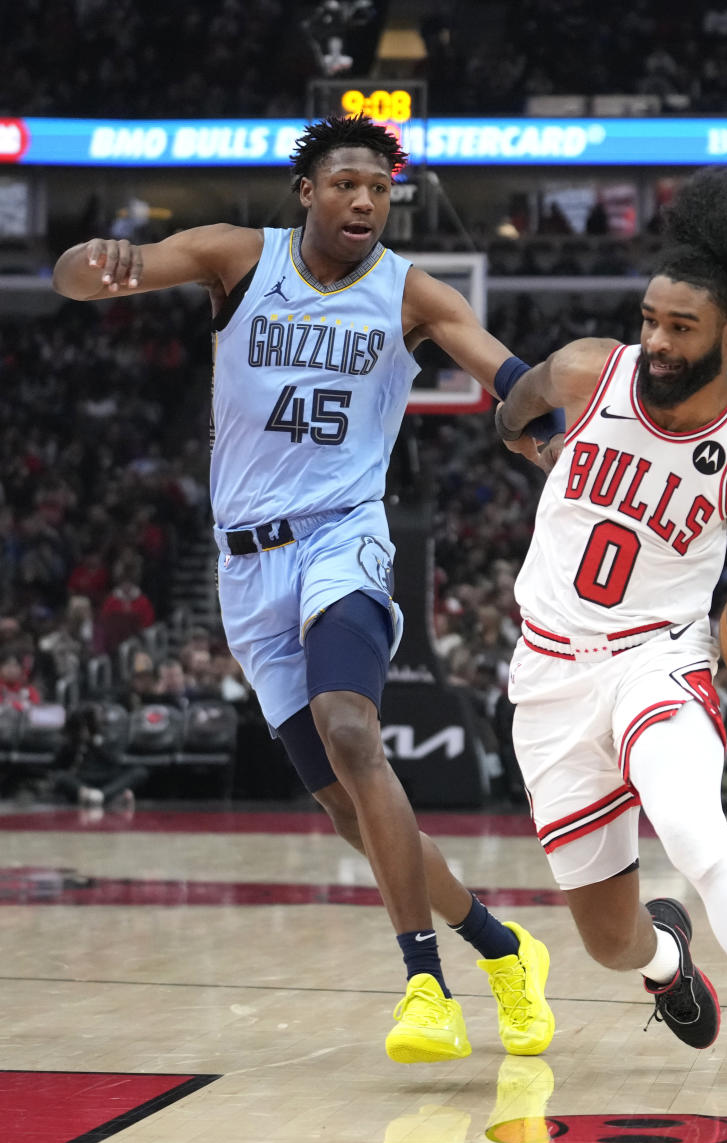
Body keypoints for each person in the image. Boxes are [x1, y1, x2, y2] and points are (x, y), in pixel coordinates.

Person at [52, 114, 554, 1065]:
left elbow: (501, 369)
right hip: (246, 568)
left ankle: (424, 985)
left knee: (353, 727)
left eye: (379, 187)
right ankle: (502, 947)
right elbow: (88, 278)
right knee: (345, 807)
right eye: (348, 183)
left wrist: (545, 416)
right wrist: (94, 262)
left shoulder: (413, 292)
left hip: (344, 536)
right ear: (309, 194)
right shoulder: (238, 258)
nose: (365, 199)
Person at [495, 166, 727, 1128]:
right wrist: (543, 450)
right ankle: (666, 959)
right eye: (650, 319)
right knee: (608, 942)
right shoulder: (586, 369)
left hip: (660, 657)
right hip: (547, 676)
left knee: (697, 831)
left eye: (680, 328)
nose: (656, 341)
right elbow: (513, 409)